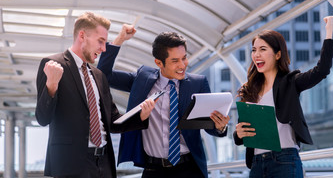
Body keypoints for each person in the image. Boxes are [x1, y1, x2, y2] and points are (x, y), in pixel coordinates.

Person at [97, 25, 230, 178]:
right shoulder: (142, 80)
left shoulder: (197, 83)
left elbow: (209, 126)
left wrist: (220, 126)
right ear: (159, 63)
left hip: (189, 169)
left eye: (184, 58)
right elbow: (103, 76)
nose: (182, 65)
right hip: (154, 170)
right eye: (175, 61)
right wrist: (119, 39)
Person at [35, 12, 156, 178]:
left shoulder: (98, 76)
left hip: (104, 163)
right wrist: (52, 85)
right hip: (71, 166)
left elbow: (113, 122)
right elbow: (43, 118)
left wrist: (141, 115)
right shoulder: (53, 65)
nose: (103, 48)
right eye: (100, 41)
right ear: (82, 36)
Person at [233, 16, 333, 177]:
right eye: (254, 50)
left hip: (284, 160)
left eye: (263, 49)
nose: (256, 55)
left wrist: (329, 29)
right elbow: (242, 132)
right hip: (256, 164)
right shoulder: (249, 89)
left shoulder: (291, 82)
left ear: (277, 54)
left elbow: (322, 70)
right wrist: (238, 133)